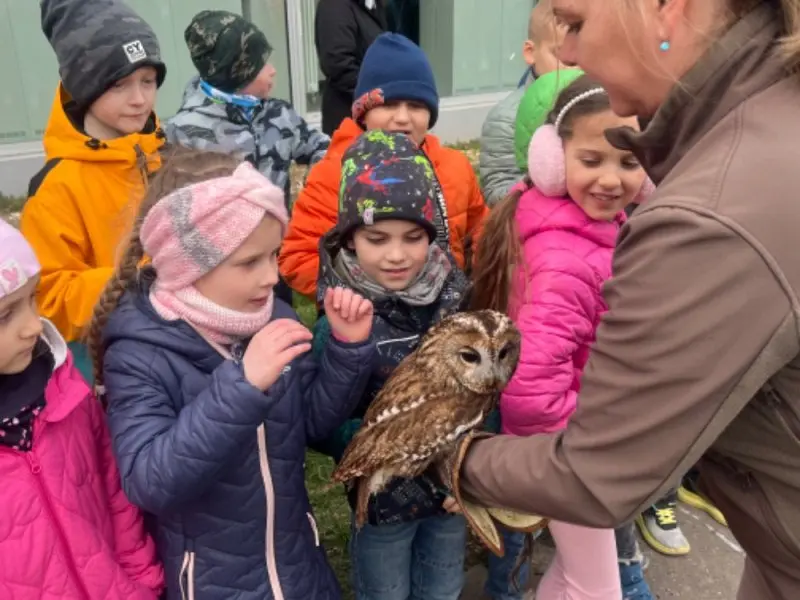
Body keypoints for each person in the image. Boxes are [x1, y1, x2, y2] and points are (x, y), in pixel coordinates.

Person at [445, 1, 800, 598]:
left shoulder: (710, 214)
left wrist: (449, 459)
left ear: (666, 10)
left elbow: (596, 475)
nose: (570, 53)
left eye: (576, 24)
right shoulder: (768, 130)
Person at [87, 149, 378, 600]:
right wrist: (242, 387)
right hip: (211, 583)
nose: (271, 277)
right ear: (188, 265)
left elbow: (310, 423)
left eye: (273, 255)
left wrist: (346, 350)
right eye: (248, 262)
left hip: (298, 568)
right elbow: (149, 480)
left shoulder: (273, 317)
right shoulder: (140, 354)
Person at [471, 74, 654, 599]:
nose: (611, 179)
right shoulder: (566, 256)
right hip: (565, 447)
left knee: (579, 575)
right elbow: (531, 389)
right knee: (598, 589)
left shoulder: (581, 227)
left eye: (629, 162)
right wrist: (593, 438)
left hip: (569, 439)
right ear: (552, 158)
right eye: (592, 160)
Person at [313, 130, 469, 600]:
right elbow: (320, 421)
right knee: (385, 591)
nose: (397, 255)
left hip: (450, 495)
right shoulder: (338, 316)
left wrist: (471, 464)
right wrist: (381, 449)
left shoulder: (456, 297)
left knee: (443, 586)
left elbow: (485, 393)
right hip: (382, 503)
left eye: (413, 237)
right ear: (350, 238)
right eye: (377, 238)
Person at [0, 219, 163, 599]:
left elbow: (114, 495)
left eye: (33, 298)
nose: (32, 326)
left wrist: (143, 583)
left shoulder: (65, 391)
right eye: (5, 315)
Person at [20, 0, 166, 383]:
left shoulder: (164, 154)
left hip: (177, 341)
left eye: (148, 80)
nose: (139, 99)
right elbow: (49, 297)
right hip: (107, 364)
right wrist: (141, 280)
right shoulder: (58, 185)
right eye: (119, 84)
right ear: (84, 86)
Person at [281, 33, 488, 300]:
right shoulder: (334, 174)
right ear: (363, 113)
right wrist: (363, 295)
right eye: (388, 105)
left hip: (449, 308)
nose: (402, 118)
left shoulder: (455, 167)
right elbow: (298, 256)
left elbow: (483, 233)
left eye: (416, 106)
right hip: (365, 316)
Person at [165, 10, 329, 204]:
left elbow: (324, 147)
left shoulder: (279, 114)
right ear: (238, 74)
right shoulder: (184, 132)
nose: (273, 70)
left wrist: (317, 185)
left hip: (279, 223)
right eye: (261, 65)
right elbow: (174, 203)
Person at [479, 0, 571, 205]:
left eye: (585, 56)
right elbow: (497, 191)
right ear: (530, 52)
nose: (575, 69)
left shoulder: (604, 103)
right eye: (563, 58)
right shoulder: (507, 117)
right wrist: (555, 178)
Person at [315, 0, 388, 135]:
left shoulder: (373, 5)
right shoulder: (335, 5)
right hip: (349, 118)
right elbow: (338, 65)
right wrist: (381, 97)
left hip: (372, 116)